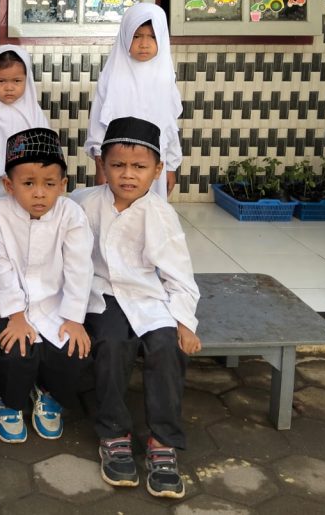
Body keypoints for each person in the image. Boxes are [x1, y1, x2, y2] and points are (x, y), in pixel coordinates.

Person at [70, 116, 201, 499]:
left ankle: (163, 439)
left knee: (166, 346)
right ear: (102, 165)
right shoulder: (82, 203)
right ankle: (113, 433)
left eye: (139, 167)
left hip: (146, 296)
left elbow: (179, 275)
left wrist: (184, 321)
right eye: (118, 165)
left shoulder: (160, 214)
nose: (128, 175)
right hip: (99, 294)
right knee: (112, 343)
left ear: (157, 170)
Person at [0, 127, 94, 445]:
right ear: (8, 186)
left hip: (56, 304)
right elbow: (1, 267)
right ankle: (8, 400)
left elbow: (79, 268)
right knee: (15, 350)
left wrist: (74, 318)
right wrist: (15, 315)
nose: (39, 193)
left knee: (74, 352)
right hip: (11, 304)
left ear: (63, 185)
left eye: (49, 184)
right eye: (28, 184)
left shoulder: (71, 215)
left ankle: (48, 393)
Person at [84, 4, 182, 198]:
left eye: (152, 37)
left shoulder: (165, 78)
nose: (144, 44)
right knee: (115, 209)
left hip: (152, 165)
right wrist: (100, 166)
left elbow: (170, 126)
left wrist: (171, 166)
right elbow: (97, 124)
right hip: (117, 165)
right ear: (125, 35)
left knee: (149, 211)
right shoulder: (112, 76)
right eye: (136, 36)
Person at [0, 45, 50, 199]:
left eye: (17, 81)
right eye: (1, 81)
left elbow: (47, 152)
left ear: (27, 80)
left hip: (31, 193)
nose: (9, 88)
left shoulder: (34, 113)